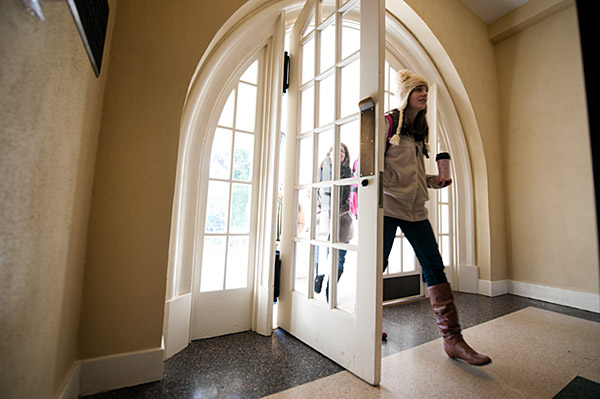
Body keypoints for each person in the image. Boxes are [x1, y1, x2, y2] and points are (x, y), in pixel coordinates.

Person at [382, 69, 491, 366]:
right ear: (405, 95)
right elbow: (371, 169)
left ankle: (453, 339)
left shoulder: (420, 132)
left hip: (416, 209)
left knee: (434, 266)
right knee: (376, 265)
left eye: (425, 90)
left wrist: (433, 181)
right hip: (389, 207)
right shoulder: (388, 122)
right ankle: (365, 324)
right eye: (418, 90)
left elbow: (411, 173)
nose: (424, 94)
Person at [314, 143, 354, 302]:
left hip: (343, 219)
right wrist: (318, 206)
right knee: (323, 256)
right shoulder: (322, 171)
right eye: (336, 150)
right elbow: (315, 192)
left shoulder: (349, 172)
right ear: (329, 154)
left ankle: (331, 290)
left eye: (343, 151)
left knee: (340, 259)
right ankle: (319, 277)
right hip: (325, 218)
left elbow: (351, 195)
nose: (340, 153)